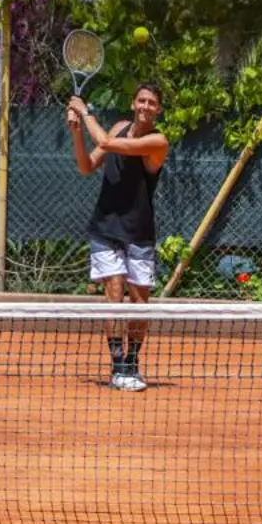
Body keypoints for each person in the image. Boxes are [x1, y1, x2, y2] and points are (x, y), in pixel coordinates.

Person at [67, 82, 169, 391]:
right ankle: (117, 366)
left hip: (139, 230)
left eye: (152, 103)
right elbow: (86, 166)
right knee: (113, 295)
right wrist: (76, 132)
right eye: (141, 100)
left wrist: (84, 111)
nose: (145, 106)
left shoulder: (157, 141)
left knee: (139, 303)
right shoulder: (120, 127)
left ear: (158, 110)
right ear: (133, 102)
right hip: (106, 227)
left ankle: (132, 364)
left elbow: (107, 143)